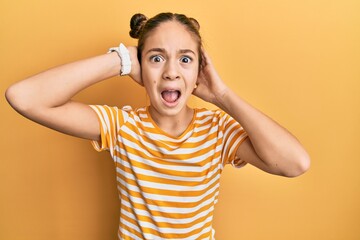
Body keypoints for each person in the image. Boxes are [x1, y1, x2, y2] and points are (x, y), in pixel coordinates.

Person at [5, 12, 310, 240]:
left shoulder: (218, 130)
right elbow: (24, 98)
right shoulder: (123, 126)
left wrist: (222, 95)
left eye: (185, 59)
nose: (171, 72)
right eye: (156, 58)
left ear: (199, 72)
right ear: (140, 66)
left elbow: (295, 163)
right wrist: (121, 61)